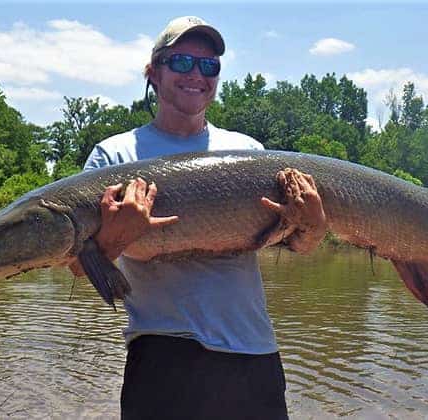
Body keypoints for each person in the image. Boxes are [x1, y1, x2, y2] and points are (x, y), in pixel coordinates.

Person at [68, 16, 327, 420]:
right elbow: (75, 266)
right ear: (153, 72)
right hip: (163, 354)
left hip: (253, 354)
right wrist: (116, 239)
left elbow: (299, 246)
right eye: (182, 62)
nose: (196, 75)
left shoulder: (249, 151)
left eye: (209, 66)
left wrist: (312, 227)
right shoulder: (113, 157)